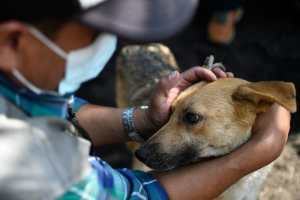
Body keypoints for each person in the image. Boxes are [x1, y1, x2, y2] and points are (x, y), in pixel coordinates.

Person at [0, 0, 291, 199]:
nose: (112, 43)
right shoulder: (38, 168)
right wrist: (258, 153)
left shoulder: (18, 88)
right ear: (13, 41)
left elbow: (62, 111)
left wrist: (143, 119)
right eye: (99, 32)